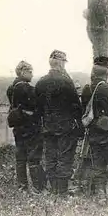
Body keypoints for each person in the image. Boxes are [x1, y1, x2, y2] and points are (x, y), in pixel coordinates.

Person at [35, 50, 84, 195]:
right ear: (62, 63)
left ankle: (53, 189)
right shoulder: (66, 81)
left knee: (50, 157)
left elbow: (37, 107)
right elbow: (76, 105)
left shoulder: (41, 82)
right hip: (66, 127)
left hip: (48, 126)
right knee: (64, 157)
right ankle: (62, 191)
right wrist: (79, 123)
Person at [81, 65, 108, 198]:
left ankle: (100, 194)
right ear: (106, 76)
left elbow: (84, 110)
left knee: (98, 165)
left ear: (92, 74)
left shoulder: (86, 89)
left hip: (93, 133)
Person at [6, 61, 45, 194]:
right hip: (30, 128)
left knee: (20, 157)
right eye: (30, 72)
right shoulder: (28, 89)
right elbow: (38, 107)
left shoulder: (11, 88)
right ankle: (37, 188)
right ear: (23, 72)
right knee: (34, 157)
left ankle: (22, 187)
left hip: (18, 128)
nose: (32, 75)